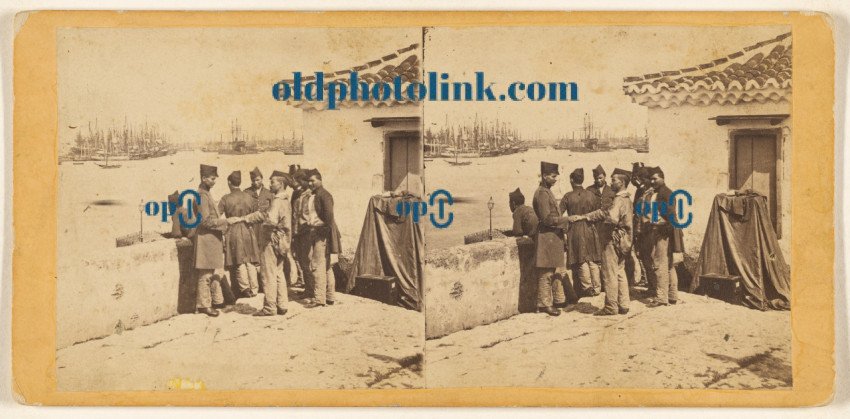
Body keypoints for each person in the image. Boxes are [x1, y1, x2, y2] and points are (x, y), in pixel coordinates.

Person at [581, 168, 634, 316]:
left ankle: (611, 307)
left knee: (609, 274)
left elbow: (612, 218)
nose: (611, 182)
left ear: (622, 182)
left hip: (612, 241)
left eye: (614, 180)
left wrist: (601, 223)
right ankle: (624, 305)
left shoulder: (618, 200)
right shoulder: (627, 199)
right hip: (624, 241)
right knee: (620, 272)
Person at [242, 171, 293, 316]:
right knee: (279, 273)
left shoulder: (277, 201)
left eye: (272, 182)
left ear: (281, 184)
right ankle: (282, 305)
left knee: (268, 274)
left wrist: (260, 220)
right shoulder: (285, 200)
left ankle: (270, 307)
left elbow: (271, 220)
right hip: (283, 241)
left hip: (271, 241)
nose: (270, 184)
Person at [532, 161, 578, 316]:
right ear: (544, 176)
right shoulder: (542, 194)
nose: (555, 179)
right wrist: (567, 219)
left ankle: (550, 302)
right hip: (547, 237)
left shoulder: (545, 191)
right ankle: (544, 304)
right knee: (546, 273)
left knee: (551, 271)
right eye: (553, 176)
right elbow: (546, 219)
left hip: (551, 237)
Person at [193, 164, 236, 317]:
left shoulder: (205, 194)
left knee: (209, 273)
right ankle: (204, 305)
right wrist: (225, 222)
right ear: (204, 179)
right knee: (205, 274)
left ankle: (208, 303)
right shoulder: (202, 196)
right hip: (206, 240)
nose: (214, 181)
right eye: (212, 179)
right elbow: (205, 221)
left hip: (210, 240)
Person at [560, 168, 602, 297]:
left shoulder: (568, 196)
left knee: (581, 259)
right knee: (592, 258)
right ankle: (597, 287)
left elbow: (558, 214)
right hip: (590, 228)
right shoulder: (591, 195)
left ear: (572, 180)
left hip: (575, 230)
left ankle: (587, 287)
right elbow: (598, 212)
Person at [219, 171, 261, 298]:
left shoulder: (225, 198)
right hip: (248, 230)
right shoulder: (249, 197)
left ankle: (245, 289)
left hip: (233, 231)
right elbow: (256, 215)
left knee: (239, 261)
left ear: (229, 183)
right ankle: (254, 288)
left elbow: (217, 216)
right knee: (250, 260)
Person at [303, 169, 342, 308]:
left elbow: (329, 217)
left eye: (313, 181)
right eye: (309, 181)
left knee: (317, 265)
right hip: (318, 231)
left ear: (320, 180)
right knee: (325, 266)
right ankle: (330, 296)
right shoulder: (315, 195)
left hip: (323, 234)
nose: (310, 183)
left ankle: (319, 299)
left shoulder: (324, 195)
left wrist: (322, 233)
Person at [645, 167, 684, 307]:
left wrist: (661, 227)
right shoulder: (660, 192)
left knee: (660, 265)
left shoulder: (665, 193)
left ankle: (661, 298)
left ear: (663, 178)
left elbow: (669, 216)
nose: (652, 181)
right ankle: (673, 295)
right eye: (651, 179)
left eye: (655, 178)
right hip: (667, 232)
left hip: (664, 233)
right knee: (668, 264)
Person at [244, 167, 274, 289]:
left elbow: (273, 210)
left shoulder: (268, 193)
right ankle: (256, 285)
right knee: (253, 255)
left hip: (264, 227)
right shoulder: (246, 192)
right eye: (253, 180)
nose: (255, 183)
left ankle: (265, 284)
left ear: (262, 179)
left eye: (257, 180)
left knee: (265, 254)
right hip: (252, 228)